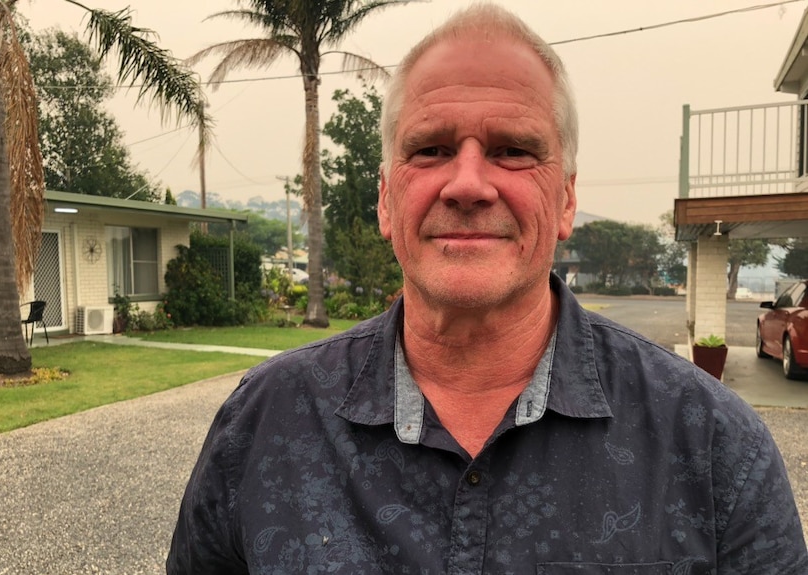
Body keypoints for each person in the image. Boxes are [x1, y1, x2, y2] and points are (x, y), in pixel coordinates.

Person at [167, 4, 808, 573]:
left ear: (565, 200)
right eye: (431, 149)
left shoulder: (712, 445)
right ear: (387, 200)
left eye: (511, 150)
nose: (468, 183)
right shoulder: (264, 424)